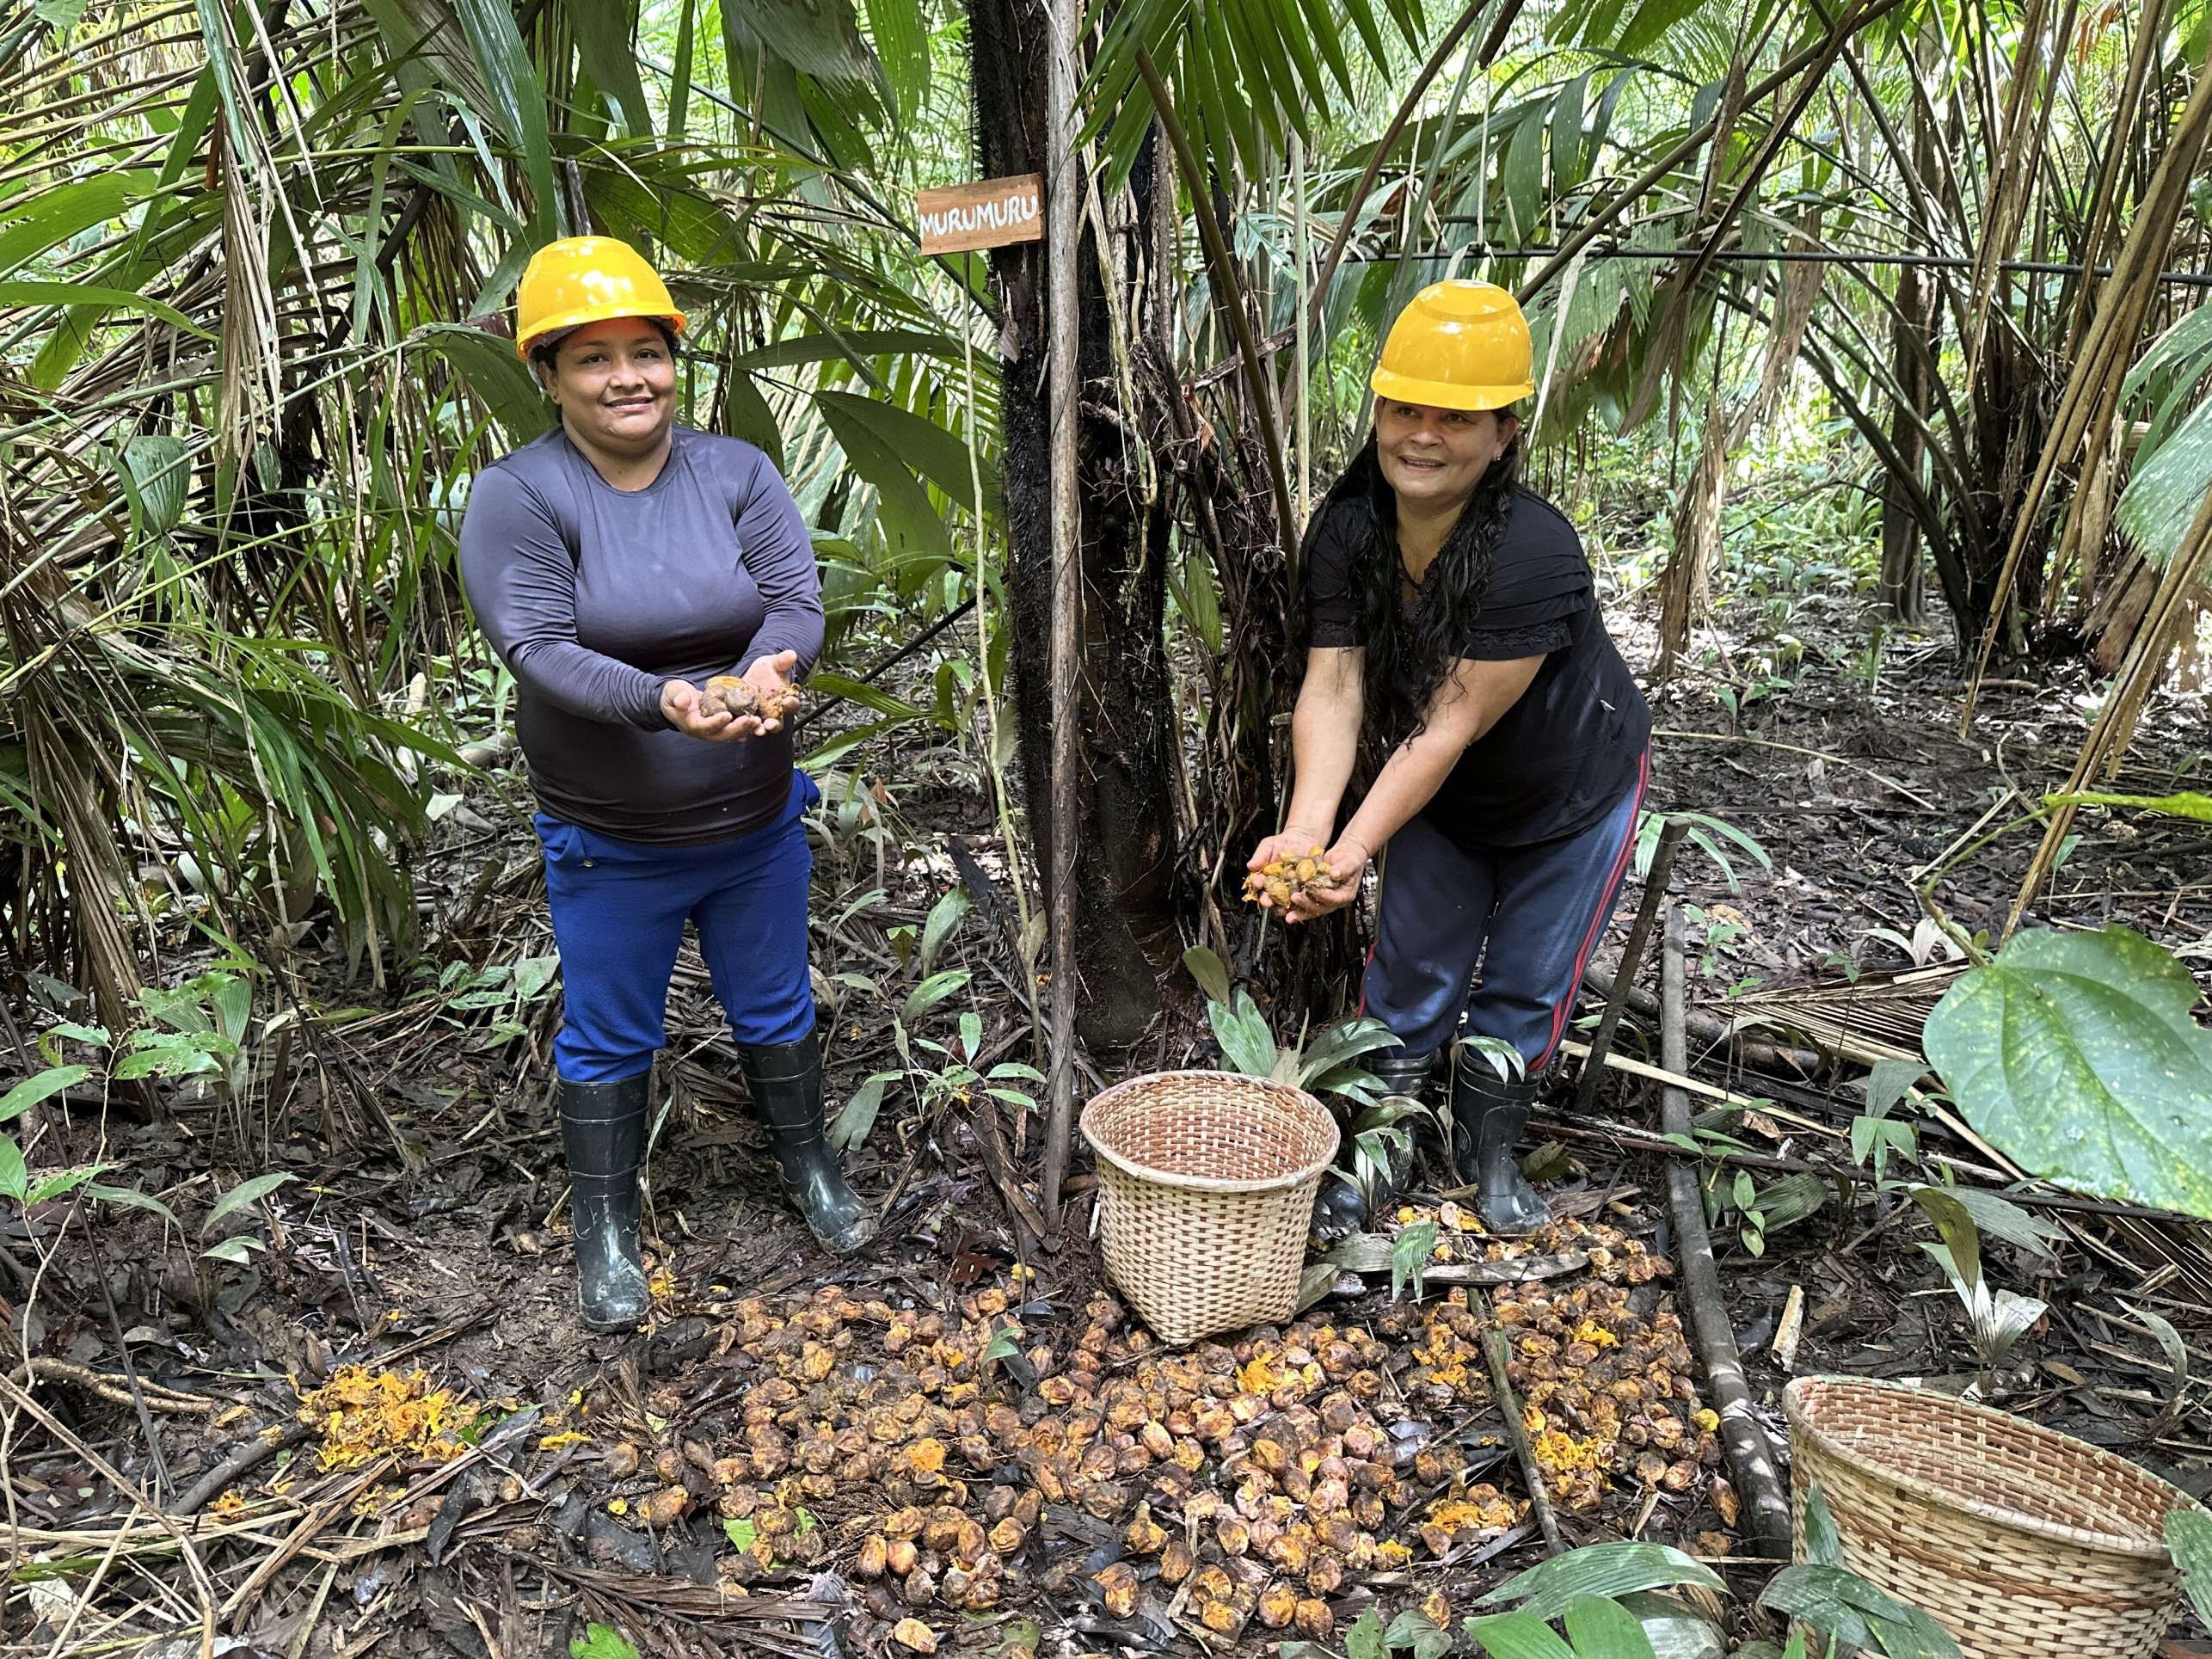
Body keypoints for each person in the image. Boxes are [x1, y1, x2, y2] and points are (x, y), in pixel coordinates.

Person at [458, 236, 875, 1332]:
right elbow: (539, 647)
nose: (626, 377)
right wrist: (671, 701)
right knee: (608, 1033)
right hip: (613, 840)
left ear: (673, 360)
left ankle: (811, 1172)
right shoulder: (520, 495)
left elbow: (792, 599)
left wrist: (771, 669)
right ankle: (604, 1233)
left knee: (776, 1003)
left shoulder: (733, 470)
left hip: (753, 822)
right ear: (545, 374)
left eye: (645, 351)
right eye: (592, 359)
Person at [1250, 279, 1652, 1237]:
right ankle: (1382, 1149)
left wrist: (1349, 856)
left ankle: (1489, 1148)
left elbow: (1444, 726)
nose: (1420, 435)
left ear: (1504, 434)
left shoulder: (1532, 550)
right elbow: (1335, 685)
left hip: (1569, 793)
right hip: (1442, 791)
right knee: (1409, 975)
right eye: (1402, 409)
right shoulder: (1350, 530)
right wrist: (1308, 832)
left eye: (1455, 418)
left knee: (1524, 979)